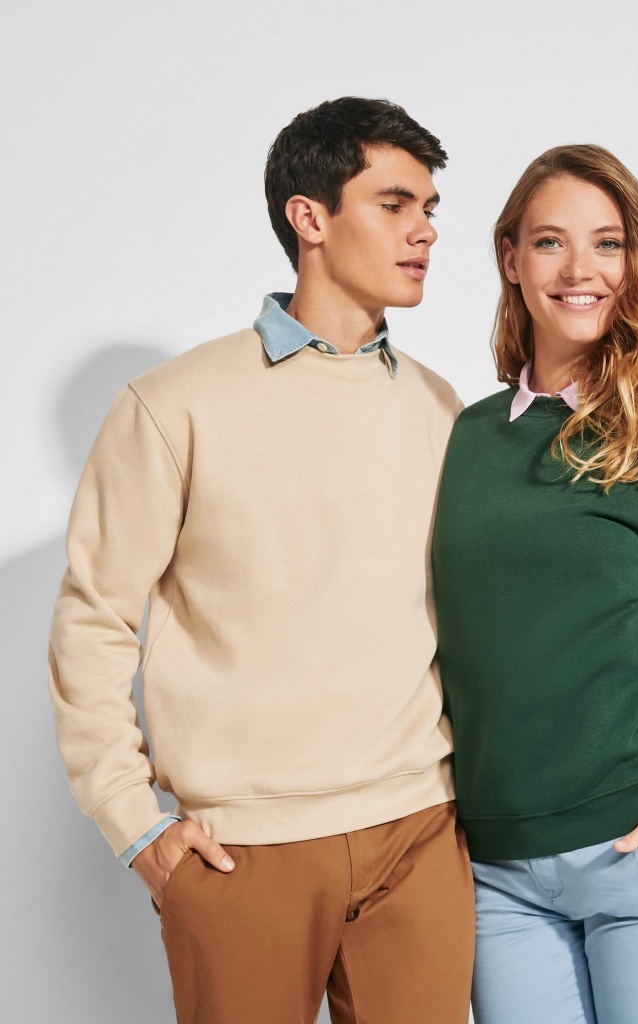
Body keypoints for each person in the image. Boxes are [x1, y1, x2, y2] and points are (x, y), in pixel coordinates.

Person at [48, 96, 474, 1024]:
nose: (426, 231)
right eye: (394, 204)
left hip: (419, 835)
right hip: (244, 850)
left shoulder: (440, 408)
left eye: (429, 208)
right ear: (309, 217)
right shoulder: (175, 404)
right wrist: (136, 826)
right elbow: (94, 617)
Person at [432, 144, 638, 1024]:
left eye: (606, 243)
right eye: (550, 241)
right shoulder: (466, 438)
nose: (579, 269)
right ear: (510, 258)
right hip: (497, 873)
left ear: (633, 259)